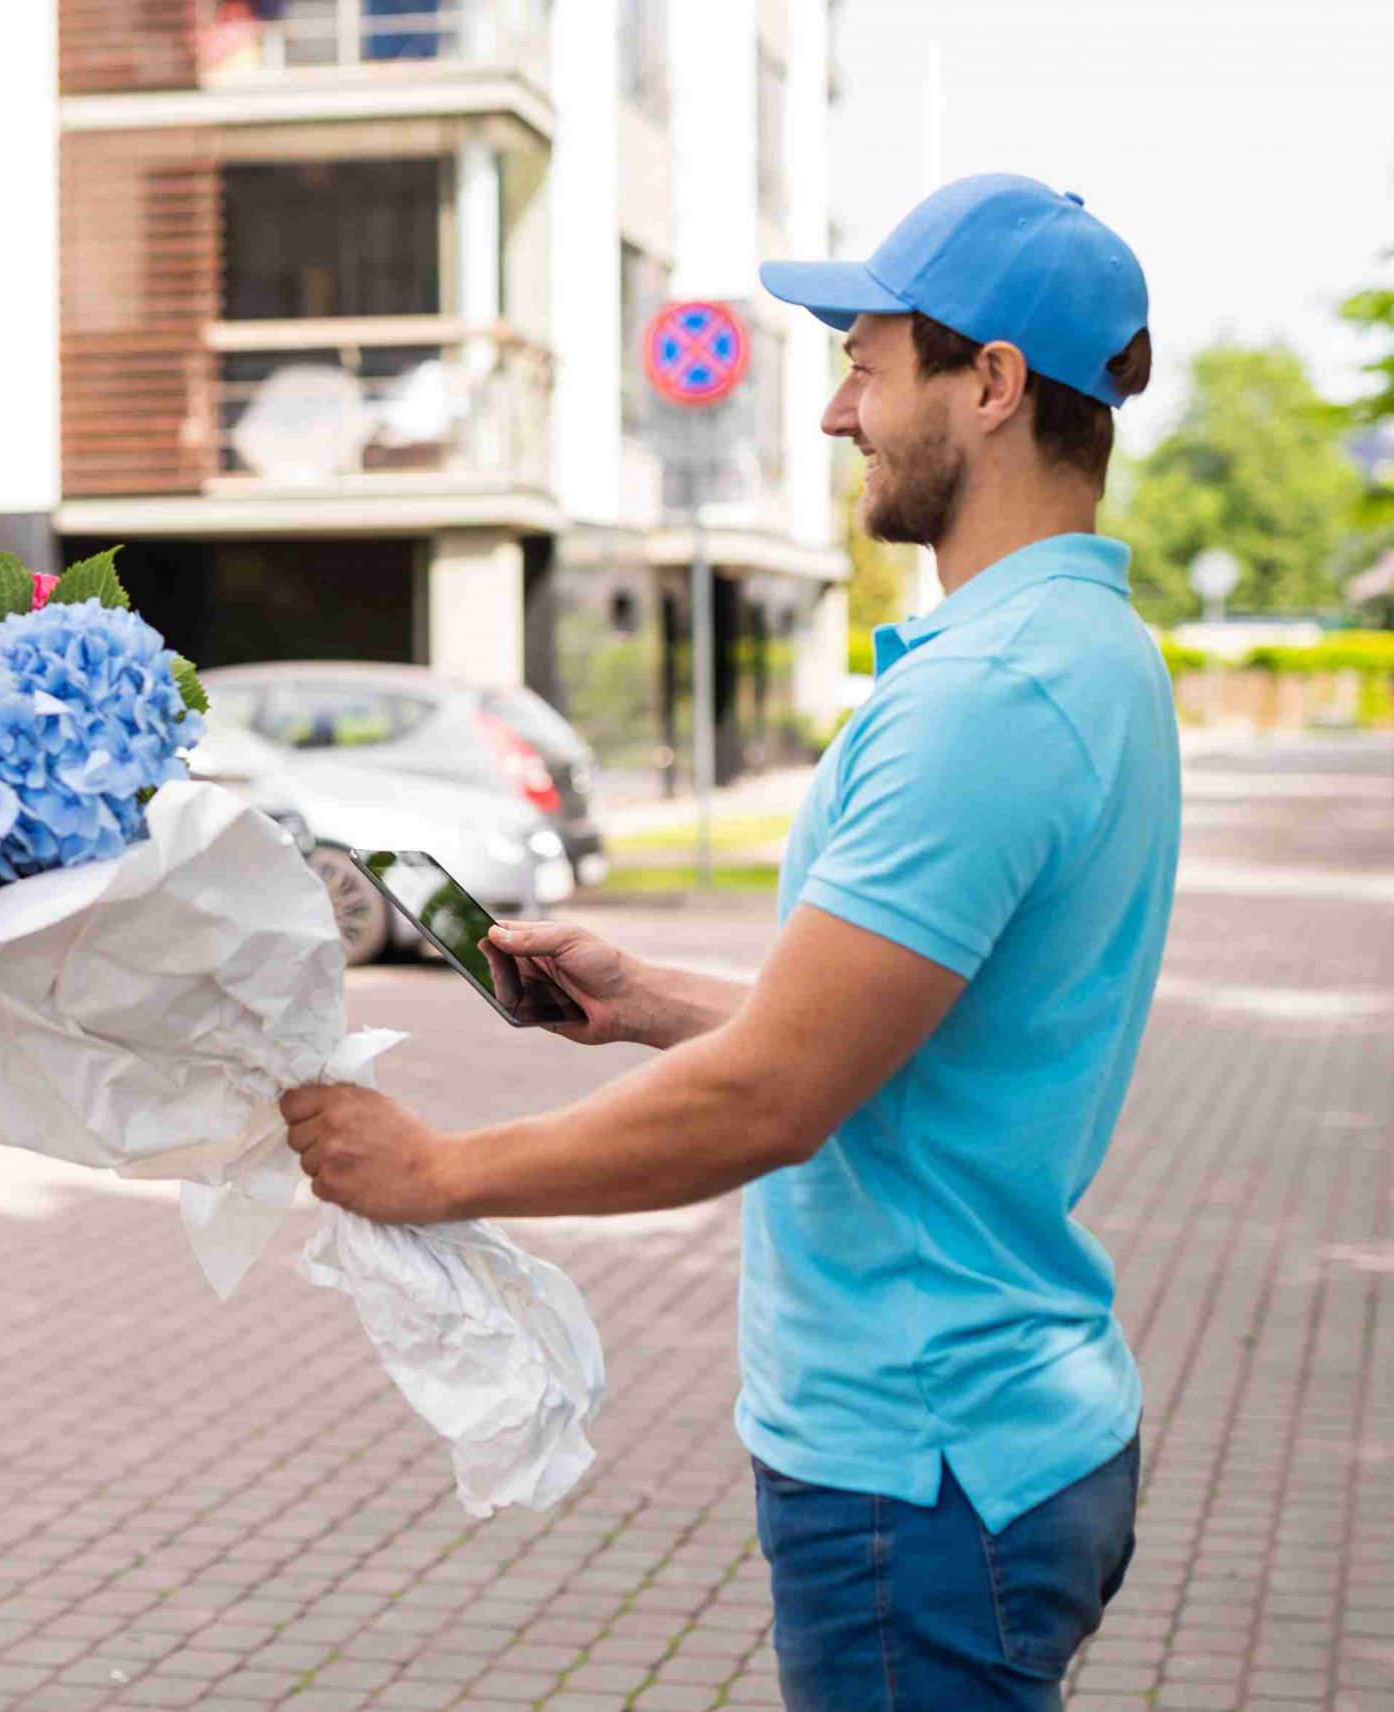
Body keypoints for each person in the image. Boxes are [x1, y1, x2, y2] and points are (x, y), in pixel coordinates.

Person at [282, 174, 1173, 1710]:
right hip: (1006, 1416)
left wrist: (436, 1176)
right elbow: (886, 1036)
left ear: (995, 384)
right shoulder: (1085, 656)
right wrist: (647, 1001)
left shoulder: (987, 703)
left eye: (868, 365)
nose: (837, 415)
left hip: (923, 1463)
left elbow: (773, 1103)